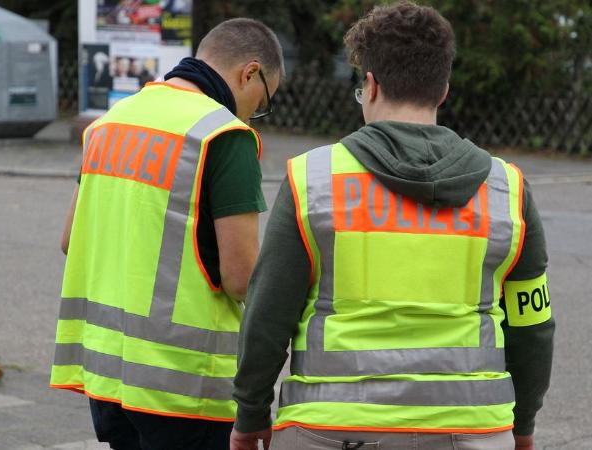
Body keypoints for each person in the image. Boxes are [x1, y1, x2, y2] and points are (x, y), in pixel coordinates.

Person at [230, 3, 554, 450]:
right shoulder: (508, 191)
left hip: (331, 428)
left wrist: (250, 414)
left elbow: (268, 316)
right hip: (472, 429)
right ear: (442, 91)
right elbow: (532, 326)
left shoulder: (313, 180)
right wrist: (522, 425)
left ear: (371, 85)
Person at [51, 18, 284, 450]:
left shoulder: (111, 121)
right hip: (184, 388)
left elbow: (70, 239)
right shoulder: (223, 135)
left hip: (109, 377)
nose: (255, 111)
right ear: (249, 73)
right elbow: (241, 277)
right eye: (263, 99)